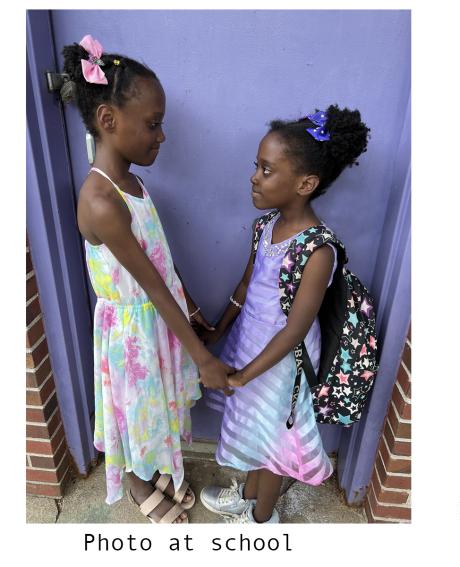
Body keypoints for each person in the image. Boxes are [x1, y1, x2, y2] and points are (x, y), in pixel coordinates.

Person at [61, 35, 233, 522]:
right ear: (108, 121)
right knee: (135, 414)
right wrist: (203, 360)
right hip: (133, 333)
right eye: (153, 125)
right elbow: (151, 287)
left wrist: (194, 311)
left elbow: (161, 263)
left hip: (157, 321)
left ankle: (151, 468)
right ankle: (136, 483)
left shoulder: (133, 183)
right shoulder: (101, 200)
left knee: (154, 409)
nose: (162, 136)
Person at [200, 106, 369, 523]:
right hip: (250, 345)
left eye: (267, 170)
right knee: (258, 434)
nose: (254, 177)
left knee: (274, 442)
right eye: (257, 166)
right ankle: (249, 496)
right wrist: (216, 333)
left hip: (280, 366)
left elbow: (295, 330)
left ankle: (261, 522)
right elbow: (244, 288)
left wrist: (242, 376)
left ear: (305, 184)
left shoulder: (318, 251)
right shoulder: (265, 227)